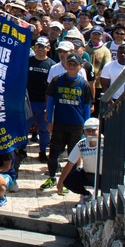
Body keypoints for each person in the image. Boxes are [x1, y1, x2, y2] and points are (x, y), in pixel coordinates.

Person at [42, 53, 93, 192]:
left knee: (74, 156)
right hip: (59, 124)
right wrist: (50, 121)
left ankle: (67, 182)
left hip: (77, 126)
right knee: (53, 154)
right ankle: (52, 177)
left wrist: (86, 128)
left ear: (80, 67)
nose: (71, 66)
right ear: (65, 64)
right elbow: (51, 101)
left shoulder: (84, 84)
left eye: (75, 64)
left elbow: (87, 107)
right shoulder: (57, 80)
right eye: (69, 63)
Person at [57, 117, 100, 202]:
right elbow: (70, 163)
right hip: (88, 175)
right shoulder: (81, 144)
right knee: (68, 180)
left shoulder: (106, 143)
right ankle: (86, 195)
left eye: (94, 130)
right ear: (84, 132)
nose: (91, 133)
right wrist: (60, 182)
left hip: (103, 177)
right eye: (88, 131)